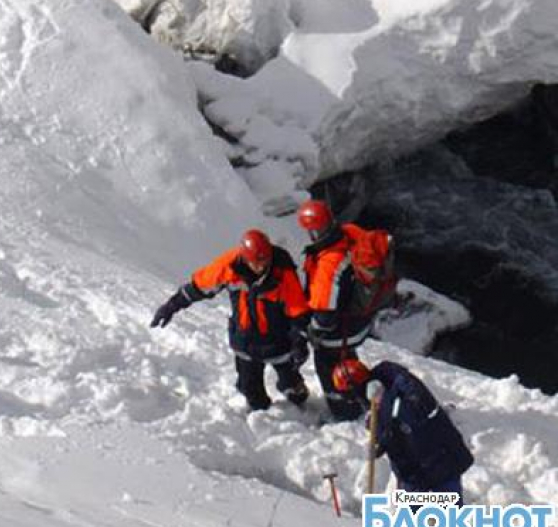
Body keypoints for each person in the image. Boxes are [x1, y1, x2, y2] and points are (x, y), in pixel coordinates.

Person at [151, 229, 310, 412]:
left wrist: (300, 340)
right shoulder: (229, 266)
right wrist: (172, 306)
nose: (261, 266)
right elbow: (200, 287)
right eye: (256, 262)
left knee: (296, 391)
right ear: (245, 258)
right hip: (245, 342)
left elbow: (297, 308)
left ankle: (294, 391)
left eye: (265, 260)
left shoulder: (283, 271)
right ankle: (264, 420)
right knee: (253, 396)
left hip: (278, 341)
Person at [297, 199, 395, 421]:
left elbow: (325, 316)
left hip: (340, 333)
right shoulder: (350, 234)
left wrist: (310, 333)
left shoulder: (329, 264)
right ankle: (363, 393)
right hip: (358, 321)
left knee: (329, 370)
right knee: (347, 363)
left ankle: (346, 412)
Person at [332, 359, 474, 503]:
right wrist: (380, 442)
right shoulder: (372, 398)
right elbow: (389, 427)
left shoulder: (397, 382)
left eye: (349, 394)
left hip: (438, 458)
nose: (352, 400)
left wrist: (385, 403)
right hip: (412, 469)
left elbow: (414, 410)